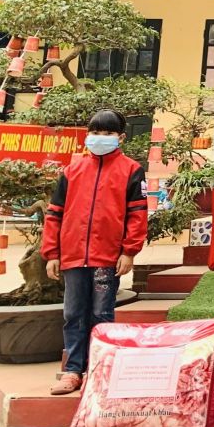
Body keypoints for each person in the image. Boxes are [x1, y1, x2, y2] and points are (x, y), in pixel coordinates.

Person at [42, 109, 147, 395]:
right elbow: (54, 213)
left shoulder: (132, 170)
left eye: (108, 133)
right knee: (73, 313)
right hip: (73, 256)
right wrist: (52, 253)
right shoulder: (71, 171)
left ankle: (100, 370)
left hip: (107, 258)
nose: (101, 138)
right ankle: (73, 371)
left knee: (102, 313)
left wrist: (129, 251)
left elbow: (138, 215)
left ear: (121, 137)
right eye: (96, 132)